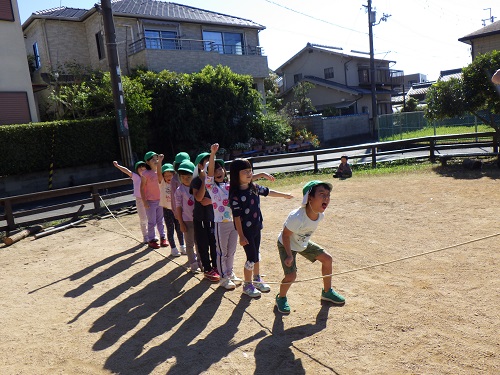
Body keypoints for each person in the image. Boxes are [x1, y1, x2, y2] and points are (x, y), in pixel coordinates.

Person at [275, 180, 345, 314]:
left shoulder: (320, 215)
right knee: (291, 276)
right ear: (309, 198)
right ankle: (281, 297)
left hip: (302, 243)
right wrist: (289, 255)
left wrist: (302, 245)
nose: (326, 198)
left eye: (328, 195)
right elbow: (285, 235)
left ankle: (327, 292)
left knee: (327, 259)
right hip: (287, 244)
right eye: (322, 194)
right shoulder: (297, 217)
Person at [229, 158, 293, 298]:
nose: (249, 173)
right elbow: (237, 217)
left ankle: (257, 279)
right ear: (236, 175)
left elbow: (269, 191)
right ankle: (247, 285)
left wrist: (284, 195)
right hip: (245, 232)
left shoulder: (254, 187)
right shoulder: (235, 195)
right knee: (251, 258)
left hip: (257, 227)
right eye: (245, 171)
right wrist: (241, 236)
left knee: (256, 254)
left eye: (250, 170)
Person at [205, 144, 242, 290]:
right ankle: (223, 277)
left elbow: (245, 181)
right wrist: (213, 154)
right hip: (221, 223)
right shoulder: (211, 186)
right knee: (222, 251)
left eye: (220, 168)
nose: (218, 171)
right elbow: (209, 173)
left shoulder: (230, 185)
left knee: (232, 250)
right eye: (214, 170)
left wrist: (262, 175)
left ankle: (230, 272)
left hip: (234, 222)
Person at [191, 151, 219, 282]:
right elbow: (199, 197)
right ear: (201, 166)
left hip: (214, 217)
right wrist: (204, 180)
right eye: (208, 162)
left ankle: (216, 266)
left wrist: (212, 201)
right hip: (200, 218)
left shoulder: (217, 180)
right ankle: (207, 269)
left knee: (214, 243)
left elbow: (222, 198)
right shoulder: (196, 181)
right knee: (203, 244)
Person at [174, 159, 201, 273]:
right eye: (182, 176)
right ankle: (193, 264)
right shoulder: (179, 191)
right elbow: (178, 207)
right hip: (187, 221)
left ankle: (201, 261)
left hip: (199, 220)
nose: (185, 179)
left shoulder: (198, 187)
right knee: (189, 243)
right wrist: (181, 223)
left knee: (199, 242)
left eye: (188, 176)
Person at [113, 160, 148, 244]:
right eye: (140, 169)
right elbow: (127, 171)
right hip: (140, 199)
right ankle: (145, 236)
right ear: (137, 170)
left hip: (149, 199)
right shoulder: (135, 177)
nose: (142, 171)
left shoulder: (148, 176)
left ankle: (152, 235)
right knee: (143, 219)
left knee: (151, 218)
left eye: (144, 169)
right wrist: (118, 166)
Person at [141, 151, 167, 249]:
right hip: (150, 201)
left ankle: (163, 237)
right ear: (147, 162)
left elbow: (161, 180)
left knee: (160, 220)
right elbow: (142, 188)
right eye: (153, 159)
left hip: (159, 200)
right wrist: (144, 201)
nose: (155, 160)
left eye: (156, 158)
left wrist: (160, 162)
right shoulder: (145, 173)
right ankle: (152, 239)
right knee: (152, 221)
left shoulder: (159, 172)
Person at [158, 162, 184, 257]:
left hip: (176, 209)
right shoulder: (162, 183)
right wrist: (160, 162)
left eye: (170, 174)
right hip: (167, 210)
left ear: (174, 174)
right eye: (166, 175)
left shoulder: (177, 183)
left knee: (179, 228)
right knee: (170, 229)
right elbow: (158, 174)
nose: (169, 177)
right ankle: (173, 248)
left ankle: (182, 246)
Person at [170, 151, 190, 255]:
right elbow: (174, 198)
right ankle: (186, 250)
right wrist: (176, 213)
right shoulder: (174, 179)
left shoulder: (192, 176)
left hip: (191, 211)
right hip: (182, 211)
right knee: (185, 231)